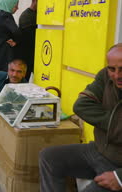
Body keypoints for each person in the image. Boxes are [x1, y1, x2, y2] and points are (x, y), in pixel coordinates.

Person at [39, 44, 122, 192]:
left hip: (118, 165)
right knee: (49, 157)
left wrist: (119, 178)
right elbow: (81, 106)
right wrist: (116, 124)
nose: (117, 75)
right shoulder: (104, 75)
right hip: (98, 150)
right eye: (112, 69)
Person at [16, 0, 38, 80]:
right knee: (23, 81)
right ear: (36, 1)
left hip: (32, 56)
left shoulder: (35, 14)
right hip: (26, 56)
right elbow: (29, 38)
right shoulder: (26, 16)